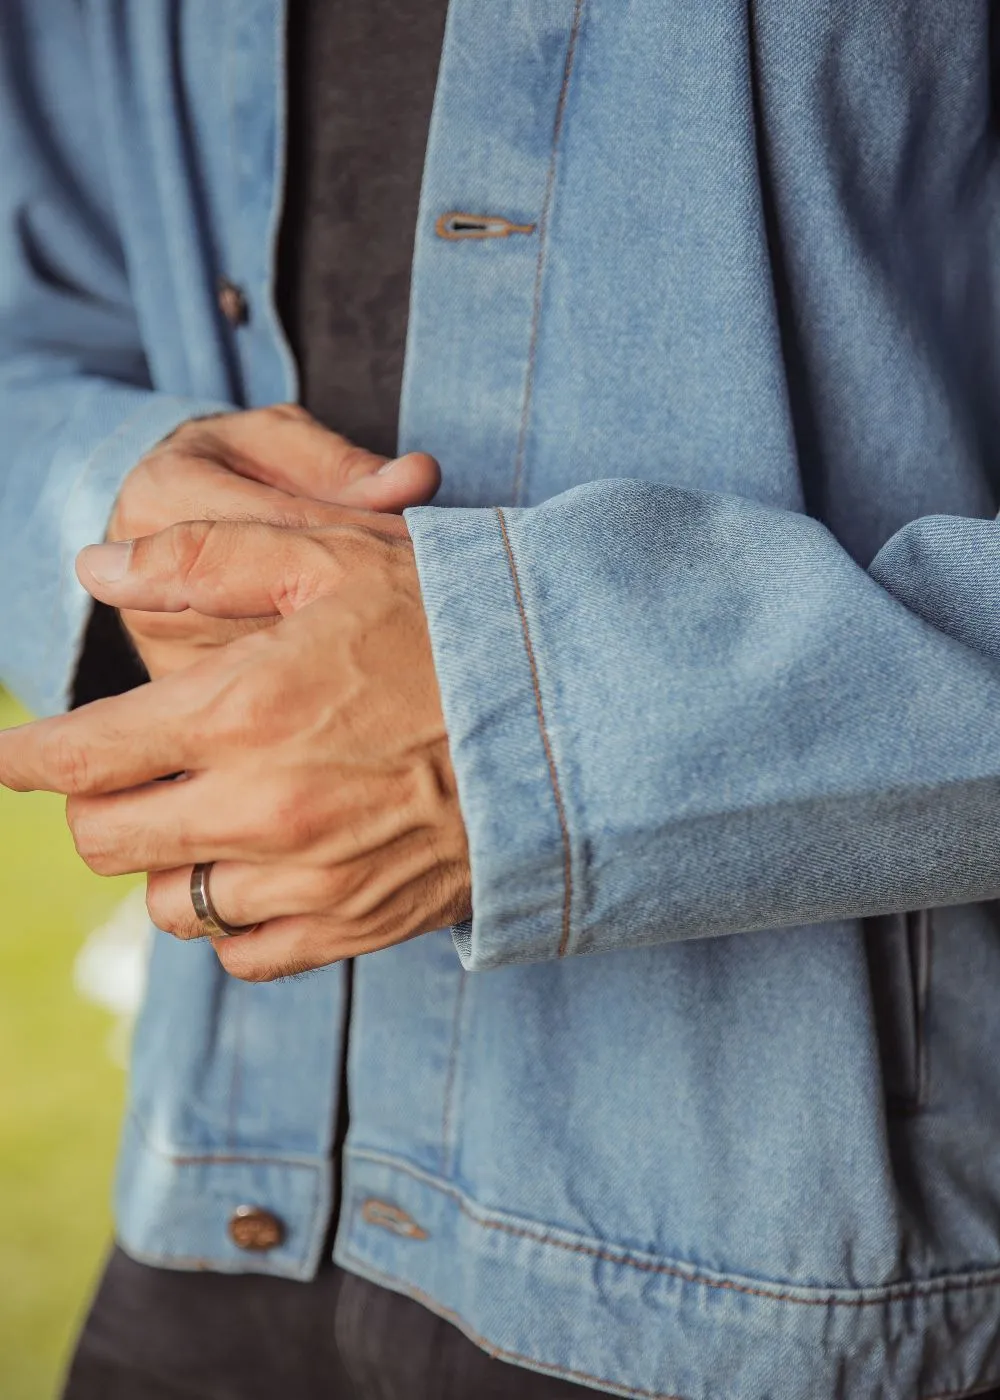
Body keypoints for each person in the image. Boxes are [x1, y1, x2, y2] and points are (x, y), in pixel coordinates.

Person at [2, 1, 1000, 1397]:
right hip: (224, 1222)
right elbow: (30, 339)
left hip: (796, 1290)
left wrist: (535, 724)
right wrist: (125, 508)